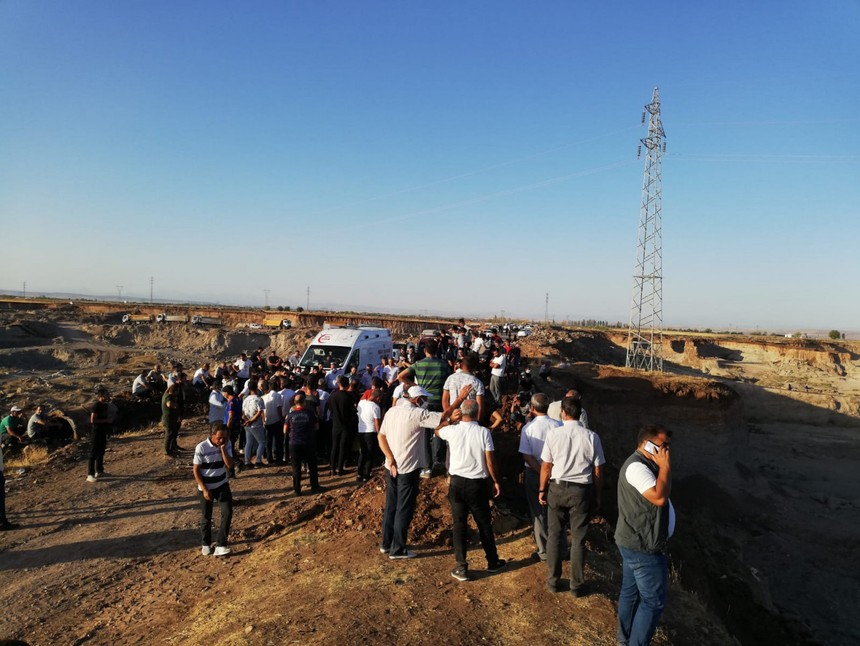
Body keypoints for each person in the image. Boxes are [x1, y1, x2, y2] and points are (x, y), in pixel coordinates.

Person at [378, 385, 469, 559]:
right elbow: (443, 417)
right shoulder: (417, 414)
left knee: (391, 505)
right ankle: (397, 549)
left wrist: (390, 458)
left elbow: (381, 437)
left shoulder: (391, 412)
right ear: (417, 399)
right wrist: (459, 399)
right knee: (404, 508)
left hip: (390, 467)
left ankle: (386, 543)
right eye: (424, 399)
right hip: (408, 468)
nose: (425, 402)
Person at [615, 425, 675, 646]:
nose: (667, 451)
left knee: (631, 593)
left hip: (636, 541)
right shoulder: (637, 468)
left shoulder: (647, 464)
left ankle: (624, 639)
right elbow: (659, 498)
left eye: (668, 446)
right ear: (647, 445)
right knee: (653, 601)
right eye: (663, 446)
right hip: (644, 546)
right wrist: (665, 467)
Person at [539, 396, 605, 596]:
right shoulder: (592, 436)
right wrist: (598, 493)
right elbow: (598, 470)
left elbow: (546, 466)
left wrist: (542, 489)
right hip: (581, 490)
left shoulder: (553, 434)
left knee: (554, 535)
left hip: (557, 488)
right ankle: (576, 586)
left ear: (563, 413)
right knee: (578, 539)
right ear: (579, 413)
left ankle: (553, 581)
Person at [436, 399, 506, 581]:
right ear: (477, 413)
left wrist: (450, 419)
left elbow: (437, 431)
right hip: (477, 484)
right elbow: (490, 461)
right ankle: (492, 561)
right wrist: (496, 481)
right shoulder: (483, 432)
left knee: (459, 524)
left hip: (457, 483)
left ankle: (461, 566)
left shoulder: (452, 430)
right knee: (484, 523)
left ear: (462, 413)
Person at [519, 393, 562, 562]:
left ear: (532, 408)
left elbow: (527, 456)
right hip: (556, 473)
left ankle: (544, 551)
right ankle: (560, 547)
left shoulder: (528, 428)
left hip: (533, 473)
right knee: (557, 511)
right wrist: (549, 473)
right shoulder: (558, 425)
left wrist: (540, 472)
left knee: (538, 512)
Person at [398, 338, 450, 478]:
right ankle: (438, 461)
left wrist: (415, 387)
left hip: (423, 402)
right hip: (439, 401)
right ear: (437, 350)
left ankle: (426, 467)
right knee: (438, 429)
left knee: (425, 434)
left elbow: (401, 376)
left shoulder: (418, 364)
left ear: (424, 350)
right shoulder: (444, 365)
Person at [192, 423, 234, 556]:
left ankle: (221, 544)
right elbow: (196, 470)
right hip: (206, 487)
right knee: (206, 516)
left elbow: (230, 465)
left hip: (222, 484)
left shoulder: (226, 444)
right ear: (212, 435)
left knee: (227, 512)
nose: (222, 440)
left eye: (225, 438)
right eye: (219, 438)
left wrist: (223, 449)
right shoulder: (201, 447)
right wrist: (204, 489)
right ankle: (206, 543)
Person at [283, 391, 323, 496]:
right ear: (304, 402)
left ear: (295, 403)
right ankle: (314, 486)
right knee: (312, 465)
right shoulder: (310, 413)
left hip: (294, 443)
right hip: (308, 442)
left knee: (296, 467)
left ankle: (297, 490)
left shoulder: (290, 415)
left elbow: (285, 430)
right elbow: (317, 427)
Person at [442, 354, 485, 422]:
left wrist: (449, 415)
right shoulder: (478, 383)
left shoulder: (450, 378)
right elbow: (480, 407)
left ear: (461, 365)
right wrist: (477, 422)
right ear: (474, 367)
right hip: (469, 420)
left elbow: (445, 400)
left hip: (453, 417)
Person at [328, 375, 357, 476]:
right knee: (342, 447)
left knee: (334, 446)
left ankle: (332, 468)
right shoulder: (349, 396)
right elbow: (353, 411)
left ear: (338, 384)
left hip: (336, 423)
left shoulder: (332, 395)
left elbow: (330, 409)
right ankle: (340, 468)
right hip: (346, 424)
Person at [356, 388, 382, 482]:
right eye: (380, 398)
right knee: (370, 454)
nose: (380, 400)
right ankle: (366, 474)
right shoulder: (376, 407)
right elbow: (377, 422)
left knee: (363, 453)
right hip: (371, 432)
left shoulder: (361, 403)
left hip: (361, 431)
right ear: (377, 397)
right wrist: (379, 434)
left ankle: (359, 474)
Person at [87, 390, 113, 482]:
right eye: (107, 394)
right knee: (93, 452)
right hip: (96, 431)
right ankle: (90, 474)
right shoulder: (96, 406)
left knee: (101, 451)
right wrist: (106, 421)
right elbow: (93, 420)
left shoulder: (105, 406)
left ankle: (99, 470)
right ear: (101, 396)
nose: (108, 395)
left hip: (103, 431)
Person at [241, 382, 266, 468]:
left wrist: (247, 421)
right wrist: (251, 420)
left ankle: (247, 462)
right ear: (256, 388)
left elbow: (243, 413)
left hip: (247, 424)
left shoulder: (245, 399)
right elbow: (260, 412)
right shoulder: (259, 399)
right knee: (262, 442)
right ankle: (258, 461)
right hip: (256, 424)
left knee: (249, 443)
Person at [262, 378, 284, 465]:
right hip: (276, 420)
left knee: (268, 440)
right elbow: (279, 408)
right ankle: (278, 457)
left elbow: (263, 411)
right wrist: (281, 419)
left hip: (267, 420)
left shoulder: (264, 397)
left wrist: (263, 420)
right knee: (277, 439)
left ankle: (269, 457)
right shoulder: (278, 396)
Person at [161, 383, 183, 456]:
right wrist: (175, 406)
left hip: (172, 418)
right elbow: (169, 404)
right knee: (169, 434)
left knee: (173, 433)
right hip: (168, 419)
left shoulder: (167, 394)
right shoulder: (169, 397)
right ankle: (167, 451)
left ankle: (172, 448)